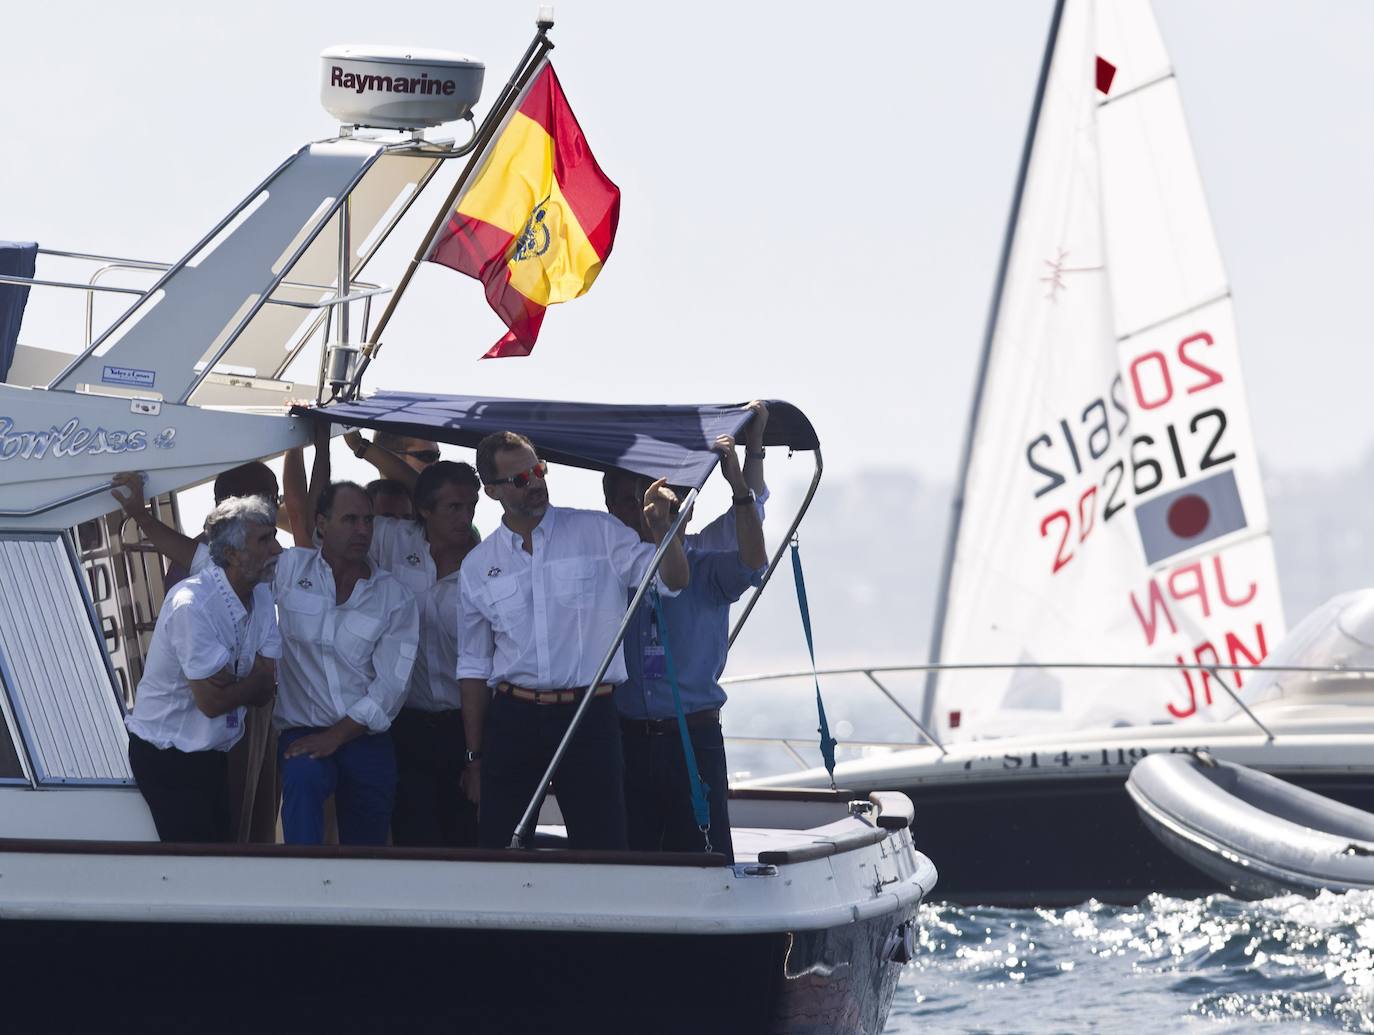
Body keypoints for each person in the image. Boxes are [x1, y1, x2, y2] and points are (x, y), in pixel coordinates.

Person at [457, 431, 689, 850]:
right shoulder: (477, 565)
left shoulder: (598, 532)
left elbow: (672, 583)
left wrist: (663, 530)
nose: (536, 483)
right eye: (520, 479)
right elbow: (472, 667)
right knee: (497, 845)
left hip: (589, 714)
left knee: (603, 846)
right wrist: (474, 758)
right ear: (491, 491)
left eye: (537, 469)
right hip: (513, 717)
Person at [608, 435, 767, 863]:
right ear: (611, 511)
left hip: (691, 737)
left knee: (706, 858)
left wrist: (739, 488)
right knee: (629, 859)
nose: (643, 510)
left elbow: (752, 562)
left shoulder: (701, 563)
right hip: (624, 739)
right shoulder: (603, 570)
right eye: (628, 501)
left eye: (651, 499)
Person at [113, 467, 284, 845]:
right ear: (233, 554)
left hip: (210, 754)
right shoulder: (192, 603)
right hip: (169, 757)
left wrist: (238, 686)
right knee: (199, 867)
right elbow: (212, 702)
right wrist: (247, 684)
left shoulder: (259, 591)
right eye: (265, 540)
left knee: (222, 856)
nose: (278, 549)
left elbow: (265, 685)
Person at [272, 479, 419, 845]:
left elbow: (391, 687)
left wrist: (335, 737)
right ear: (321, 523)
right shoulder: (291, 569)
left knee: (367, 853)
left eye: (368, 520)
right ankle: (301, 893)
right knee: (302, 783)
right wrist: (143, 521)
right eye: (350, 519)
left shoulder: (394, 597)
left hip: (365, 739)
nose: (362, 530)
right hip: (302, 732)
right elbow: (224, 568)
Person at [369, 462, 483, 846]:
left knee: (468, 844)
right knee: (414, 844)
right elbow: (317, 520)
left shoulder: (491, 565)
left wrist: (475, 757)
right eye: (454, 508)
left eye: (471, 507)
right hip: (406, 726)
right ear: (425, 510)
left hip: (469, 728)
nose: (465, 518)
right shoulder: (393, 541)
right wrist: (316, 444)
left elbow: (481, 673)